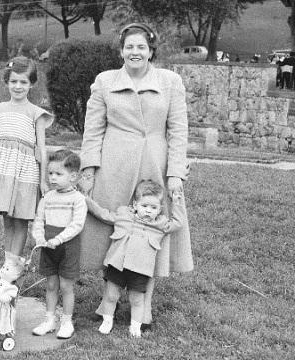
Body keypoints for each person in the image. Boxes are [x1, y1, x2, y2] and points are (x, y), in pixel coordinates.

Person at [78, 22, 193, 332]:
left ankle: (144, 306)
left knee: (151, 230)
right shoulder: (104, 81)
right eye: (129, 46)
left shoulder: (170, 81)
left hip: (155, 161)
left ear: (151, 50)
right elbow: (93, 129)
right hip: (115, 162)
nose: (135, 52)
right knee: (114, 228)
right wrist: (88, 168)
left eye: (141, 46)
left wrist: (175, 173)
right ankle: (108, 301)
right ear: (121, 51)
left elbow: (178, 130)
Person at [0, 56, 54, 265]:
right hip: (3, 170)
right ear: (7, 82)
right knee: (8, 219)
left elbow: (41, 148)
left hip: (25, 172)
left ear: (31, 84)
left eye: (23, 82)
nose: (18, 86)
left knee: (21, 219)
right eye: (13, 81)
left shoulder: (36, 113)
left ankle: (13, 267)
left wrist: (43, 180)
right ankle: (7, 265)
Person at [85, 180, 185, 338]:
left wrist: (177, 200)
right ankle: (107, 320)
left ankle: (135, 326)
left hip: (140, 269)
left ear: (160, 210)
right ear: (135, 204)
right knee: (111, 295)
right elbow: (103, 214)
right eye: (144, 206)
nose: (148, 211)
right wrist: (86, 199)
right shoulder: (124, 215)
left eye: (153, 208)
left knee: (137, 300)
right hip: (117, 264)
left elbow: (178, 223)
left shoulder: (160, 224)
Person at [30, 149, 87, 339]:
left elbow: (77, 225)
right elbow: (39, 220)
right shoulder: (47, 198)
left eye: (58, 174)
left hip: (67, 247)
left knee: (66, 286)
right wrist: (39, 237)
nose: (53, 178)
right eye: (50, 173)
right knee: (51, 284)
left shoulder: (78, 199)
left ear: (73, 177)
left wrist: (59, 239)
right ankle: (49, 320)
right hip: (48, 247)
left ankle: (66, 321)